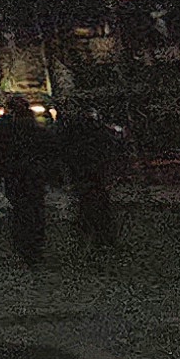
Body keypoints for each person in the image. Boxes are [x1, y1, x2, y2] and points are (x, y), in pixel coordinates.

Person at [0, 98, 54, 267]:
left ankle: (24, 246)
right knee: (35, 209)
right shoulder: (36, 129)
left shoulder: (6, 130)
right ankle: (35, 246)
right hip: (34, 174)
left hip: (15, 174)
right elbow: (50, 150)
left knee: (20, 210)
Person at [57, 104, 121, 252]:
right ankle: (102, 239)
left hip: (85, 175)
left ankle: (87, 238)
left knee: (86, 206)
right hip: (96, 175)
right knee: (99, 208)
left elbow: (68, 153)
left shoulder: (76, 135)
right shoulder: (101, 133)